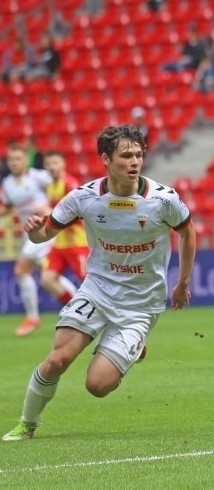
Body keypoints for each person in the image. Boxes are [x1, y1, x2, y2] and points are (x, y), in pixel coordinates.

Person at [2, 124, 196, 442]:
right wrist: (33, 229)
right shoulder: (84, 197)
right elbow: (44, 234)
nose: (134, 162)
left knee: (97, 386)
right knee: (58, 359)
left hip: (140, 304)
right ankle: (27, 423)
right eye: (125, 156)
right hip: (98, 290)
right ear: (105, 159)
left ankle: (128, 349)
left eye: (138, 155)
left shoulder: (163, 200)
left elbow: (188, 232)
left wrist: (182, 282)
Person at [0, 143, 54, 336]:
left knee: (21, 269)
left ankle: (32, 317)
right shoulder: (7, 183)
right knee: (50, 275)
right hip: (29, 234)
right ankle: (78, 305)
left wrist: (51, 208)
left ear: (25, 160)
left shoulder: (39, 177)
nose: (14, 163)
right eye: (11, 160)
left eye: (18, 159)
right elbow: (7, 207)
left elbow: (60, 189)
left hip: (46, 230)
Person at [41, 151, 88, 307]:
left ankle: (112, 313)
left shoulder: (70, 184)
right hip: (60, 243)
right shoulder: (50, 186)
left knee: (90, 283)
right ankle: (73, 309)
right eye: (48, 164)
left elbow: (79, 213)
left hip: (78, 242)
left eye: (55, 163)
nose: (52, 167)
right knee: (47, 279)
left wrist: (50, 212)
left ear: (63, 164)